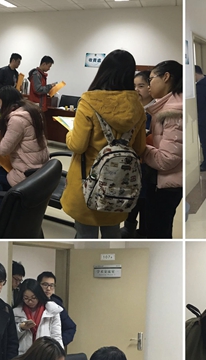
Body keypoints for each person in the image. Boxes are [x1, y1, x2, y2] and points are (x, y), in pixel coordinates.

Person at [61, 49, 146, 239]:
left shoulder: (89, 101)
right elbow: (140, 148)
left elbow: (78, 145)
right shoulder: (137, 107)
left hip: (87, 184)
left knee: (85, 236)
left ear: (103, 71)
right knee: (112, 234)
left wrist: (69, 133)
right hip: (120, 187)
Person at [0, 86, 49, 216]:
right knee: (3, 170)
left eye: (0, 103)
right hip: (41, 169)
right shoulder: (31, 111)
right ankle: (12, 208)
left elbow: (3, 149)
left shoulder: (16, 119)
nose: (0, 107)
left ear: (6, 102)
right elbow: (25, 132)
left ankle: (0, 219)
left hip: (28, 173)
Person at [143, 60, 183, 238]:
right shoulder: (166, 106)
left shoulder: (174, 112)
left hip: (167, 185)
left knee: (158, 231)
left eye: (151, 79)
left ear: (166, 77)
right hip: (162, 180)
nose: (149, 85)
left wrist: (139, 147)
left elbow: (166, 159)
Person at [120, 71, 156, 239]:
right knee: (132, 196)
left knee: (145, 198)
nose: (136, 90)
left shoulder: (155, 110)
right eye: (133, 86)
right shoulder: (130, 109)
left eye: (141, 86)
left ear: (150, 87)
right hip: (131, 161)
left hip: (148, 161)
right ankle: (129, 227)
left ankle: (143, 231)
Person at [13, 279, 64, 355]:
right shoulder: (15, 312)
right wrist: (21, 327)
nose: (30, 301)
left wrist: (59, 355)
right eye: (26, 298)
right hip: (24, 355)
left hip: (45, 354)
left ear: (39, 295)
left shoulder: (52, 310)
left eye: (33, 298)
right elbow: (12, 338)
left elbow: (56, 336)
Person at [37, 271, 77, 347]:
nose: (48, 288)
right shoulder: (31, 302)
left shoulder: (57, 305)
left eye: (52, 285)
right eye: (45, 284)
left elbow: (70, 327)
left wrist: (57, 344)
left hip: (50, 348)